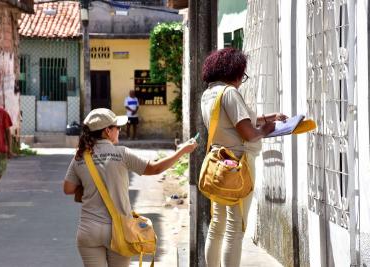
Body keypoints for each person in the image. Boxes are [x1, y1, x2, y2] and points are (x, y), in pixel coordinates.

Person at [63, 108, 197, 267]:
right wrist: (182, 151)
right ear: (107, 131)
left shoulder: (80, 156)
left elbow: (68, 189)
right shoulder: (121, 153)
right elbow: (154, 169)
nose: (120, 131)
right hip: (120, 230)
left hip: (88, 230)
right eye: (117, 127)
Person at [200, 48, 287, 267]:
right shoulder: (229, 92)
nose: (241, 80)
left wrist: (268, 116)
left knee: (217, 224)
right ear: (234, 72)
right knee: (235, 227)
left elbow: (233, 121)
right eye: (242, 75)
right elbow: (248, 132)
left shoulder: (209, 94)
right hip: (239, 165)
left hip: (218, 163)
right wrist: (267, 129)